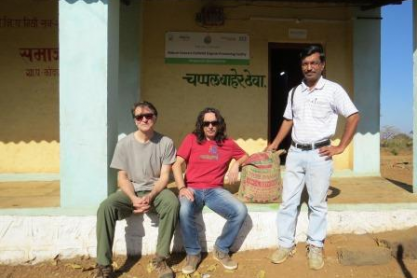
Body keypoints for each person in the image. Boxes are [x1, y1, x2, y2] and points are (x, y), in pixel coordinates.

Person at [267, 45, 360, 270]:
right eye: (305, 64)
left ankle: (315, 246)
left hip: (320, 153)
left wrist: (341, 147)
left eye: (313, 63)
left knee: (317, 204)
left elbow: (354, 115)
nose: (309, 67)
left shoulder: (333, 90)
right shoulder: (294, 92)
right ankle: (285, 245)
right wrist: (274, 144)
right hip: (295, 153)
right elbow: (288, 120)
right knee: (288, 201)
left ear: (322, 64)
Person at [95, 101, 179, 278]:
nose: (144, 119)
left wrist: (151, 195)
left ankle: (161, 259)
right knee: (106, 207)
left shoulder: (166, 142)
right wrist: (133, 198)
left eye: (148, 115)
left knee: (172, 202)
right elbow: (122, 177)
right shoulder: (124, 144)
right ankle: (104, 265)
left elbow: (164, 176)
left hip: (155, 191)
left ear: (155, 117)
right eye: (139, 116)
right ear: (135, 120)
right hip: (131, 191)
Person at [172, 107, 249, 275]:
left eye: (214, 123)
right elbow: (176, 164)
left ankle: (221, 248)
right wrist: (182, 187)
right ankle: (193, 254)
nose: (210, 126)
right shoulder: (192, 139)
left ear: (219, 124)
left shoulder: (227, 143)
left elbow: (245, 156)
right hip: (193, 188)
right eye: (206, 123)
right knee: (184, 210)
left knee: (240, 210)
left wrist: (236, 164)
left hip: (215, 191)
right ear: (201, 125)